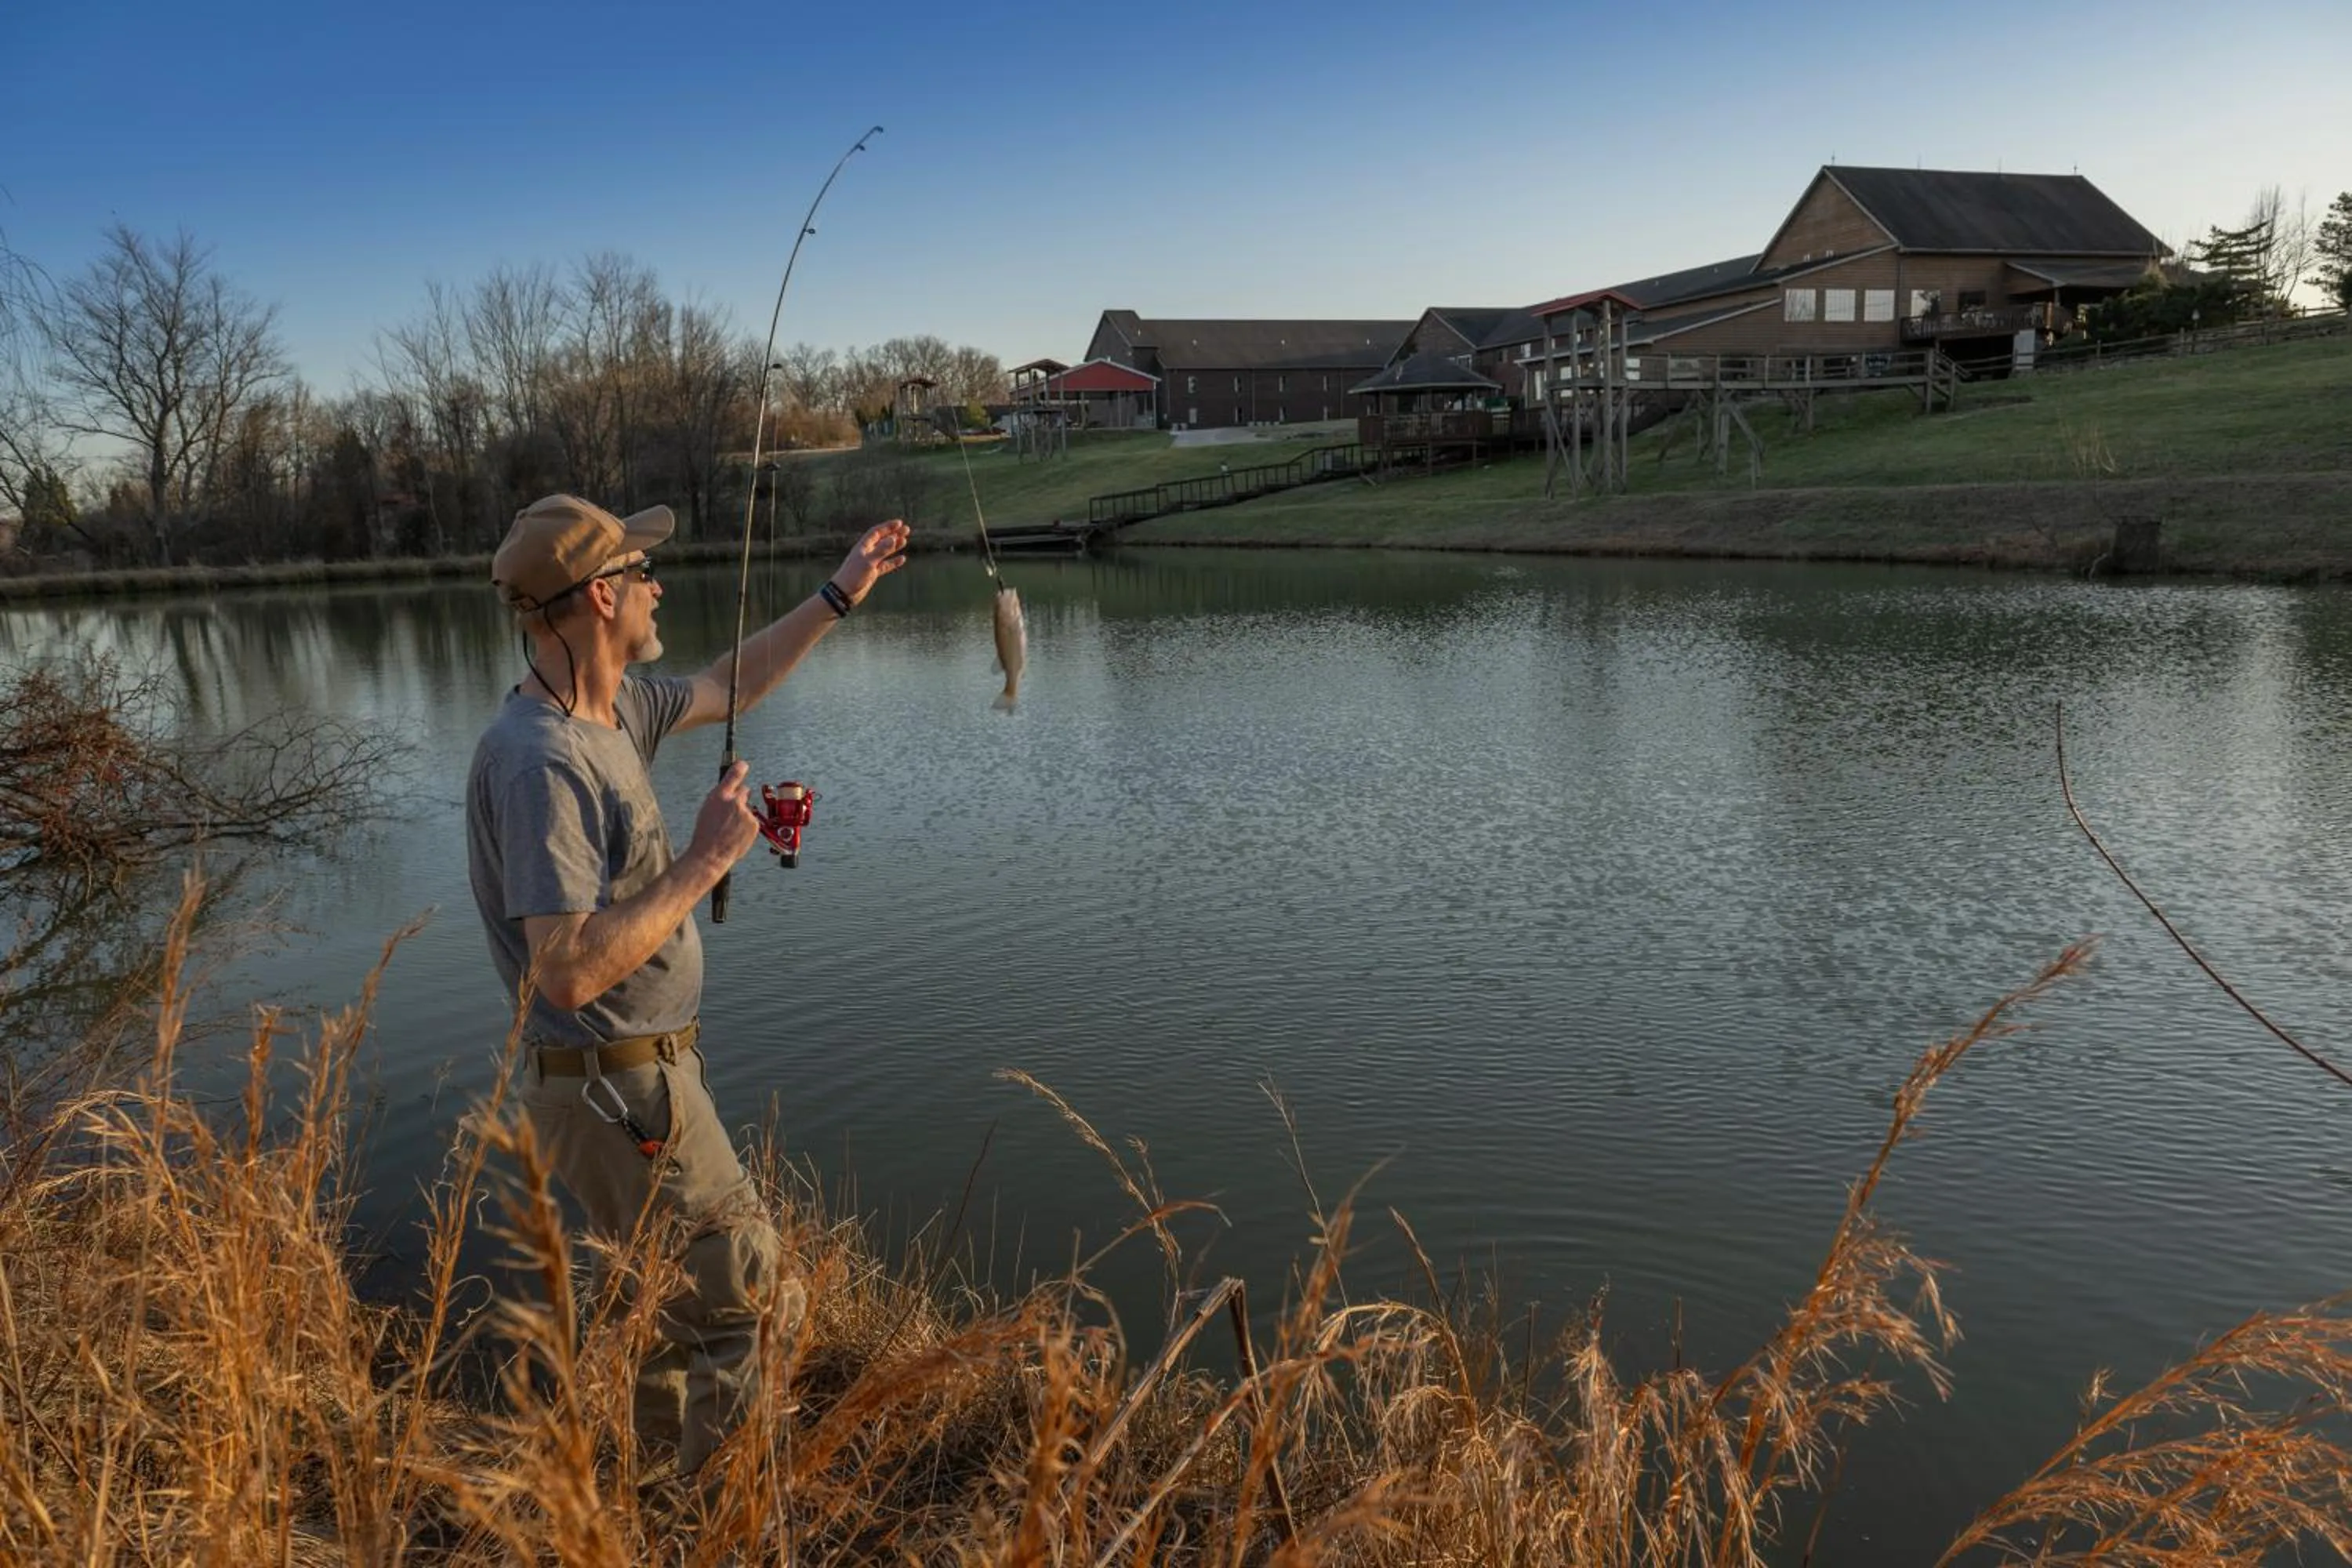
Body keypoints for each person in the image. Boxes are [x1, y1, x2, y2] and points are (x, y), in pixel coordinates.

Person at [465, 492, 909, 1480]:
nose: (658, 586)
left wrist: (842, 591)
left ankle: (657, 1504)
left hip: (635, 1078)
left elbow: (726, 681)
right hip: (615, 1083)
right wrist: (702, 864)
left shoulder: (611, 706)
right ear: (595, 597)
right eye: (640, 573)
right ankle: (726, 1520)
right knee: (748, 1294)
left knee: (673, 1312)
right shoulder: (541, 760)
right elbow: (568, 969)